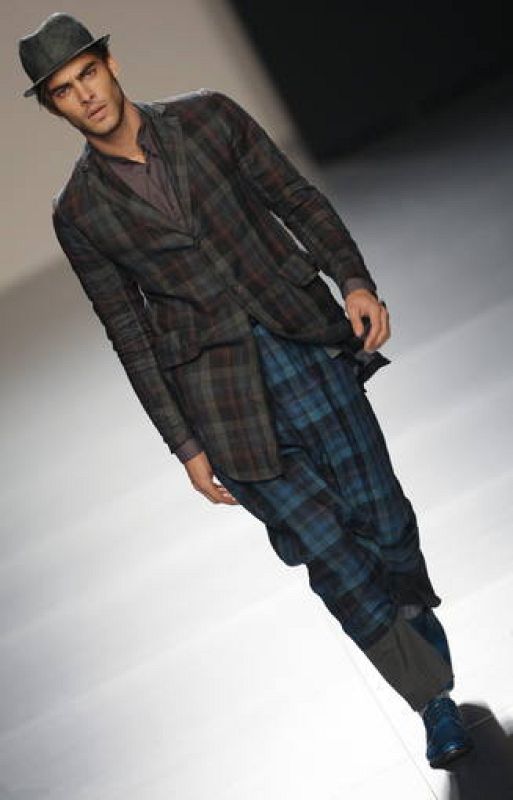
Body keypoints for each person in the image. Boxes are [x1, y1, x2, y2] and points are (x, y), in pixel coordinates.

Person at [18, 12, 473, 770]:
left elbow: (294, 198)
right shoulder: (80, 213)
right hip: (220, 401)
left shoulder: (208, 117)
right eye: (64, 90)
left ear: (111, 64)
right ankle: (432, 702)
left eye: (87, 73)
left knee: (384, 521)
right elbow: (129, 333)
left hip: (303, 345)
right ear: (53, 106)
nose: (85, 95)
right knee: (330, 557)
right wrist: (185, 446)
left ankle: (423, 655)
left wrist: (353, 279)